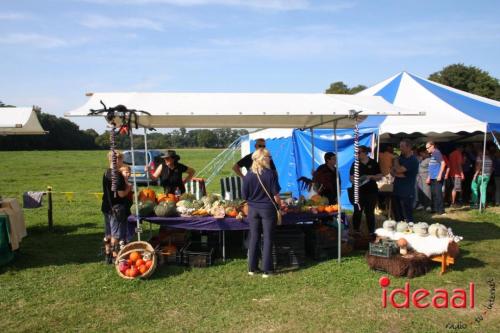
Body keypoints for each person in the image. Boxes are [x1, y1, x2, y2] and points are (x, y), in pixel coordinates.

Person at [242, 148, 282, 278]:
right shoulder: (270, 174)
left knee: (254, 237)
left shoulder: (248, 175)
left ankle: (252, 268)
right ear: (262, 159)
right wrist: (280, 207)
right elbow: (276, 195)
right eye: (268, 156)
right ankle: (267, 270)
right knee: (268, 238)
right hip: (267, 209)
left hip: (253, 209)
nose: (270, 159)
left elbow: (244, 195)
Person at [101, 151, 132, 264]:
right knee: (115, 234)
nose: (122, 162)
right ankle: (115, 257)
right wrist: (129, 187)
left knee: (108, 233)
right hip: (116, 208)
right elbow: (121, 194)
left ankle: (107, 254)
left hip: (106, 206)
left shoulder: (106, 172)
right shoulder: (117, 175)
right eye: (121, 159)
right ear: (116, 160)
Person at [348, 145, 382, 235]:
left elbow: (380, 176)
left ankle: (371, 232)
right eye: (356, 153)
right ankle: (356, 231)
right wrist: (356, 180)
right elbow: (350, 178)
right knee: (357, 212)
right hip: (358, 192)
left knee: (370, 213)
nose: (357, 154)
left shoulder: (374, 163)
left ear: (365, 152)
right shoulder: (355, 163)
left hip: (371, 192)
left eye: (359, 152)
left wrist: (371, 176)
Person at [391, 139, 419, 222]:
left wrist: (396, 161)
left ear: (409, 147)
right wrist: (398, 173)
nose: (400, 148)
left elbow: (398, 170)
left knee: (407, 215)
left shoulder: (413, 160)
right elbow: (392, 172)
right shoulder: (401, 158)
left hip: (407, 192)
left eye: (402, 146)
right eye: (400, 146)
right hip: (397, 190)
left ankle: (409, 231)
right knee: (398, 215)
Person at [426, 141, 446, 215]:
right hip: (432, 177)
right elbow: (431, 167)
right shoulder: (432, 154)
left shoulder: (437, 153)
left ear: (432, 146)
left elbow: (443, 163)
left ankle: (441, 211)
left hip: (437, 177)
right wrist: (428, 177)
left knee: (438, 194)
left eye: (428, 148)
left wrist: (440, 175)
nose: (427, 149)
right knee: (433, 194)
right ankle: (434, 209)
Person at [415, 147, 432, 212]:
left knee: (427, 191)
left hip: (426, 177)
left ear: (425, 153)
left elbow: (431, 169)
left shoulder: (429, 159)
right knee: (420, 191)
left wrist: (429, 177)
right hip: (419, 177)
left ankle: (428, 205)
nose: (420, 155)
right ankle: (421, 204)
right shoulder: (421, 159)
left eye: (421, 153)